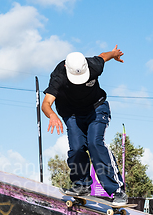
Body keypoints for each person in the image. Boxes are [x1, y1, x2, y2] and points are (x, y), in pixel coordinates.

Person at [41, 45, 128, 205]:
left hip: (96, 108)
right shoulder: (59, 75)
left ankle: (117, 190)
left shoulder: (93, 65)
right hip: (72, 114)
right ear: (67, 68)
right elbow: (46, 103)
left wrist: (114, 53)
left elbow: (103, 56)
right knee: (77, 148)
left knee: (95, 143)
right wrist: (52, 115)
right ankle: (81, 185)